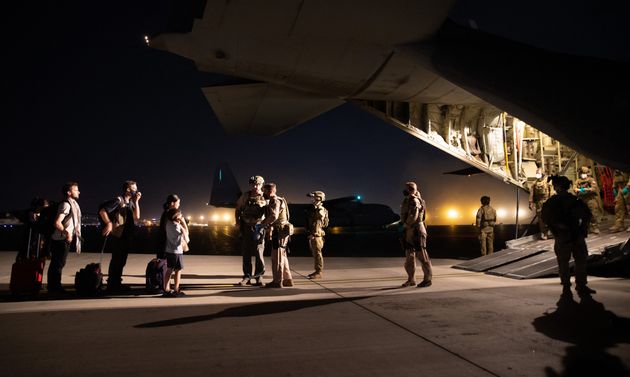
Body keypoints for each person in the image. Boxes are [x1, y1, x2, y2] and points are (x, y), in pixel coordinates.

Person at [541, 175, 596, 297]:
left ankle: (566, 286)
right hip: (576, 234)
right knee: (580, 260)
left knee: (563, 262)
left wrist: (556, 229)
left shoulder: (552, 202)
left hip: (563, 235)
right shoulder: (574, 199)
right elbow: (587, 215)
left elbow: (545, 218)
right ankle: (581, 285)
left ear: (557, 187)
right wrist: (582, 229)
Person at [99, 180, 142, 292]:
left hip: (127, 235)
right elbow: (103, 211)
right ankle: (112, 284)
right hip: (118, 235)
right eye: (134, 188)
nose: (136, 191)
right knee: (117, 260)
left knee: (122, 260)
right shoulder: (119, 200)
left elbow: (136, 216)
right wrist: (108, 223)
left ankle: (116, 282)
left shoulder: (130, 202)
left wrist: (136, 202)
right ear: (128, 189)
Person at [48, 182, 82, 294]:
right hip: (60, 239)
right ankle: (54, 288)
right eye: (75, 190)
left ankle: (54, 286)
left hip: (62, 238)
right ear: (68, 192)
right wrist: (66, 233)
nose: (78, 192)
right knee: (58, 264)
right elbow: (57, 222)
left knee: (58, 263)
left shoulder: (73, 204)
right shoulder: (66, 204)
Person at [259, 183, 293, 288]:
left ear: (267, 191)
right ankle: (287, 279)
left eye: (264, 190)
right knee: (282, 255)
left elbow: (274, 216)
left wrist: (263, 224)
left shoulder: (274, 200)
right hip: (284, 230)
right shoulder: (281, 199)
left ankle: (277, 281)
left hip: (279, 231)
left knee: (276, 257)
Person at [234, 175, 267, 286]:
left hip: (259, 228)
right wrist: (238, 222)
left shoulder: (265, 197)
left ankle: (259, 277)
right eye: (253, 184)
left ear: (262, 185)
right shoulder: (245, 196)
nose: (255, 186)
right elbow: (238, 209)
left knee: (259, 253)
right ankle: (247, 277)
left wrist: (268, 226)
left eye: (257, 184)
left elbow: (270, 213)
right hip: (246, 227)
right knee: (246, 253)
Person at [400, 182, 433, 288]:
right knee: (409, 256)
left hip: (416, 230)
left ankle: (427, 279)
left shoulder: (415, 200)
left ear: (410, 189)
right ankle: (411, 279)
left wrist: (405, 225)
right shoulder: (408, 200)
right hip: (410, 231)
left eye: (406, 188)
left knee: (422, 255)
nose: (404, 190)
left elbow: (413, 216)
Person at [163, 207, 189, 297]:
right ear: (176, 216)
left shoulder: (168, 224)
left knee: (169, 269)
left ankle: (166, 289)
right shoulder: (177, 226)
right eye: (180, 214)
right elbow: (187, 238)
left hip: (169, 250)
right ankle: (176, 289)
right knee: (178, 270)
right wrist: (183, 223)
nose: (181, 216)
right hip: (177, 251)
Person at [305, 191, 329, 279]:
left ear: (319, 198)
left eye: (313, 197)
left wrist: (313, 234)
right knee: (316, 254)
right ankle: (317, 271)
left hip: (316, 235)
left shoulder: (320, 210)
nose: (312, 199)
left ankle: (319, 272)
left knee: (317, 254)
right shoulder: (315, 209)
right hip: (315, 235)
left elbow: (318, 223)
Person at [573, 166, 600, 234]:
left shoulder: (591, 180)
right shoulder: (578, 181)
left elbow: (594, 188)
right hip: (582, 200)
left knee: (593, 213)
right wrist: (581, 190)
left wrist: (584, 189)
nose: (582, 174)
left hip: (590, 199)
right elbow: (574, 189)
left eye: (583, 173)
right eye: (581, 173)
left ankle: (595, 227)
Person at [528, 168, 552, 239]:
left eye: (539, 173)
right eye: (537, 173)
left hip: (547, 202)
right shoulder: (534, 183)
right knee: (541, 219)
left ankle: (550, 232)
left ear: (543, 174)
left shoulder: (548, 181)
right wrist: (530, 202)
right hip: (539, 203)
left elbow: (552, 192)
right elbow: (531, 194)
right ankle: (544, 233)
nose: (537, 175)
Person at [158, 194, 181, 259]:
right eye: (178, 203)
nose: (179, 205)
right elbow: (165, 230)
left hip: (165, 245)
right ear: (172, 203)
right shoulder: (168, 214)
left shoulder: (166, 212)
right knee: (167, 266)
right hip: (166, 246)